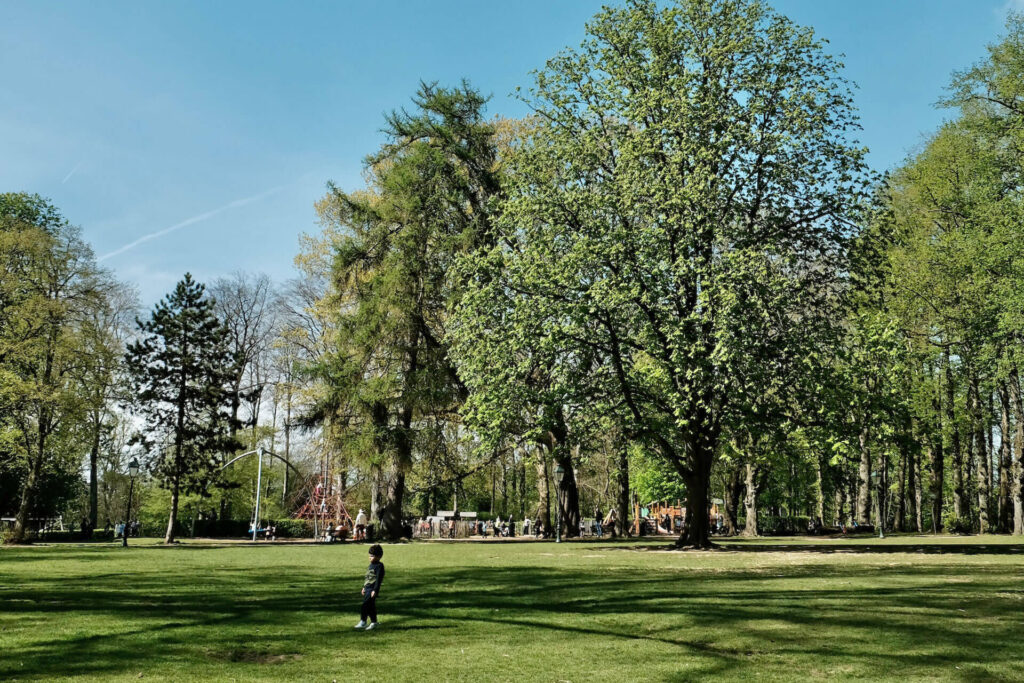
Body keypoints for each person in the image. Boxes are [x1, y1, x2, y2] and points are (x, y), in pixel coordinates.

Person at [355, 544, 385, 631]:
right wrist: (364, 587)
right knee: (371, 606)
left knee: (365, 605)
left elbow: (378, 579)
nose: (370, 558)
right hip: (367, 589)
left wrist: (375, 590)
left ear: (379, 556)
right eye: (369, 556)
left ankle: (363, 621)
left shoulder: (379, 566)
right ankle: (374, 622)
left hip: (372, 590)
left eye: (372, 556)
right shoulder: (370, 565)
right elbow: (368, 577)